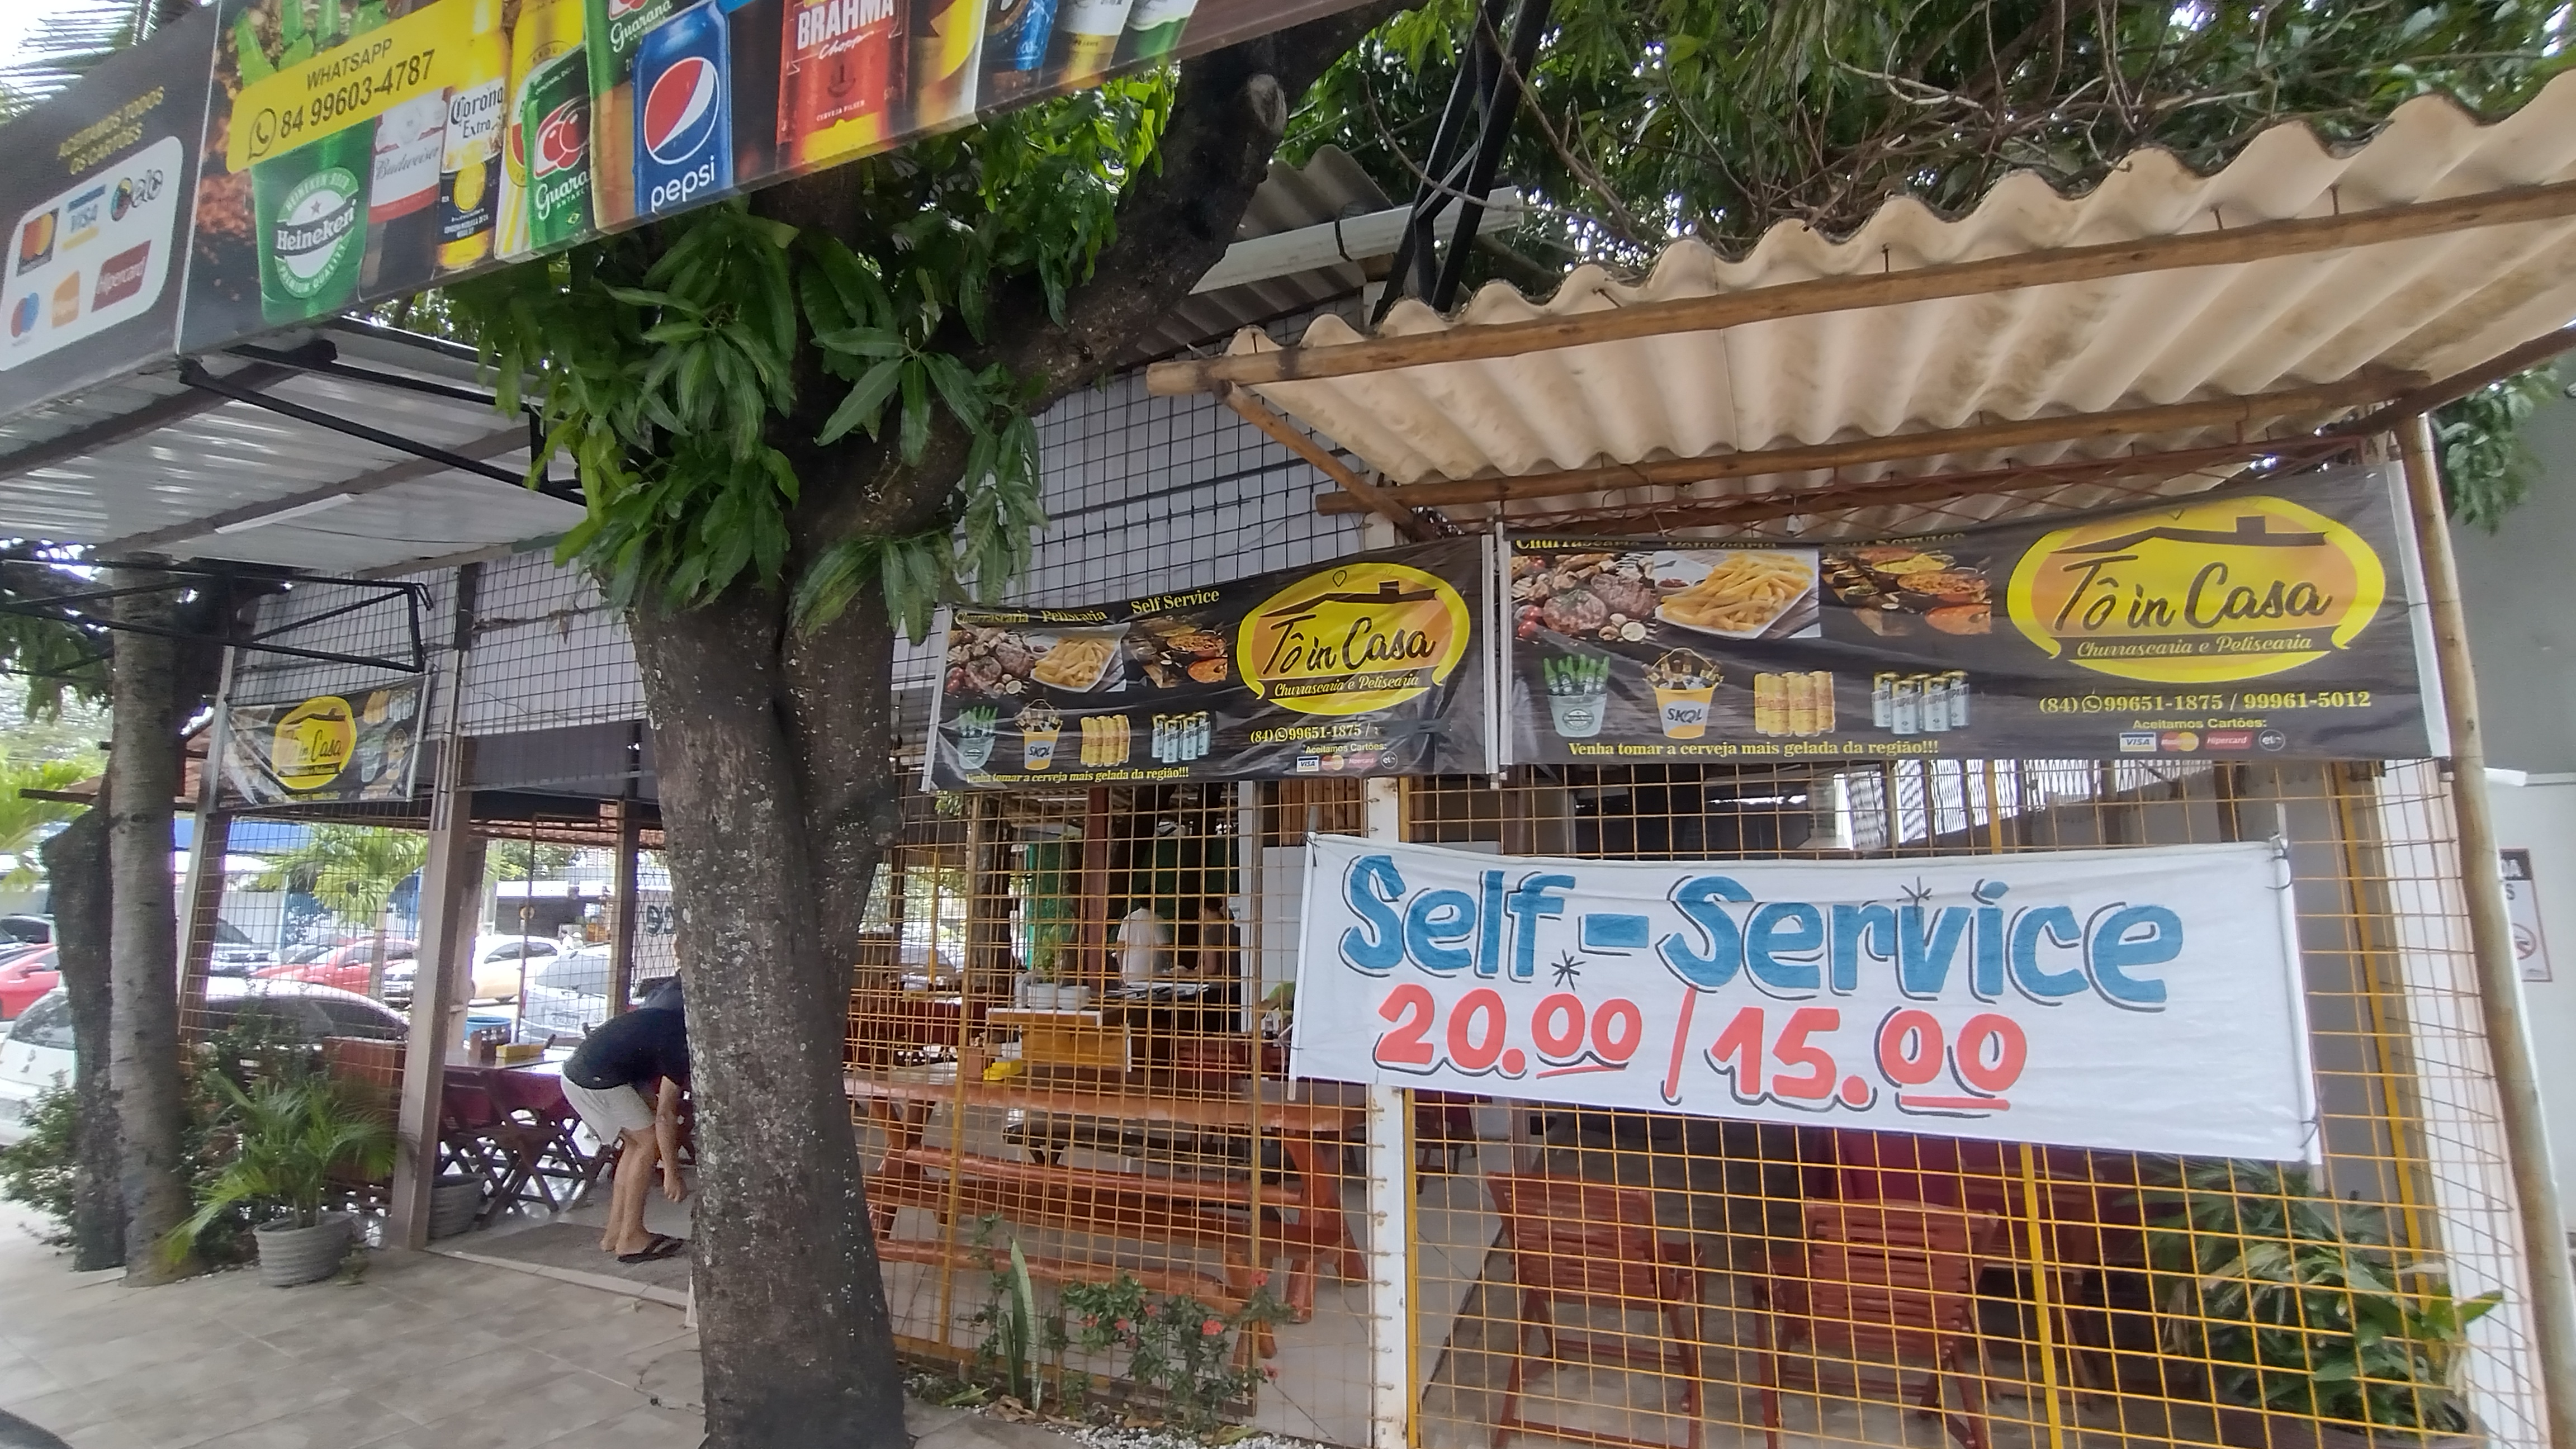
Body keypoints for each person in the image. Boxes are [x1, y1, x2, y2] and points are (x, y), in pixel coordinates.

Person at [561, 974, 690, 1262]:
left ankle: (615, 1233)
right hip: (596, 1078)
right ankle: (631, 1237)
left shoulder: (661, 1011)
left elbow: (651, 1098)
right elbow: (666, 1115)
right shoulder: (680, 1038)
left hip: (579, 1073)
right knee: (647, 1142)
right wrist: (672, 1172)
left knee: (636, 1144)